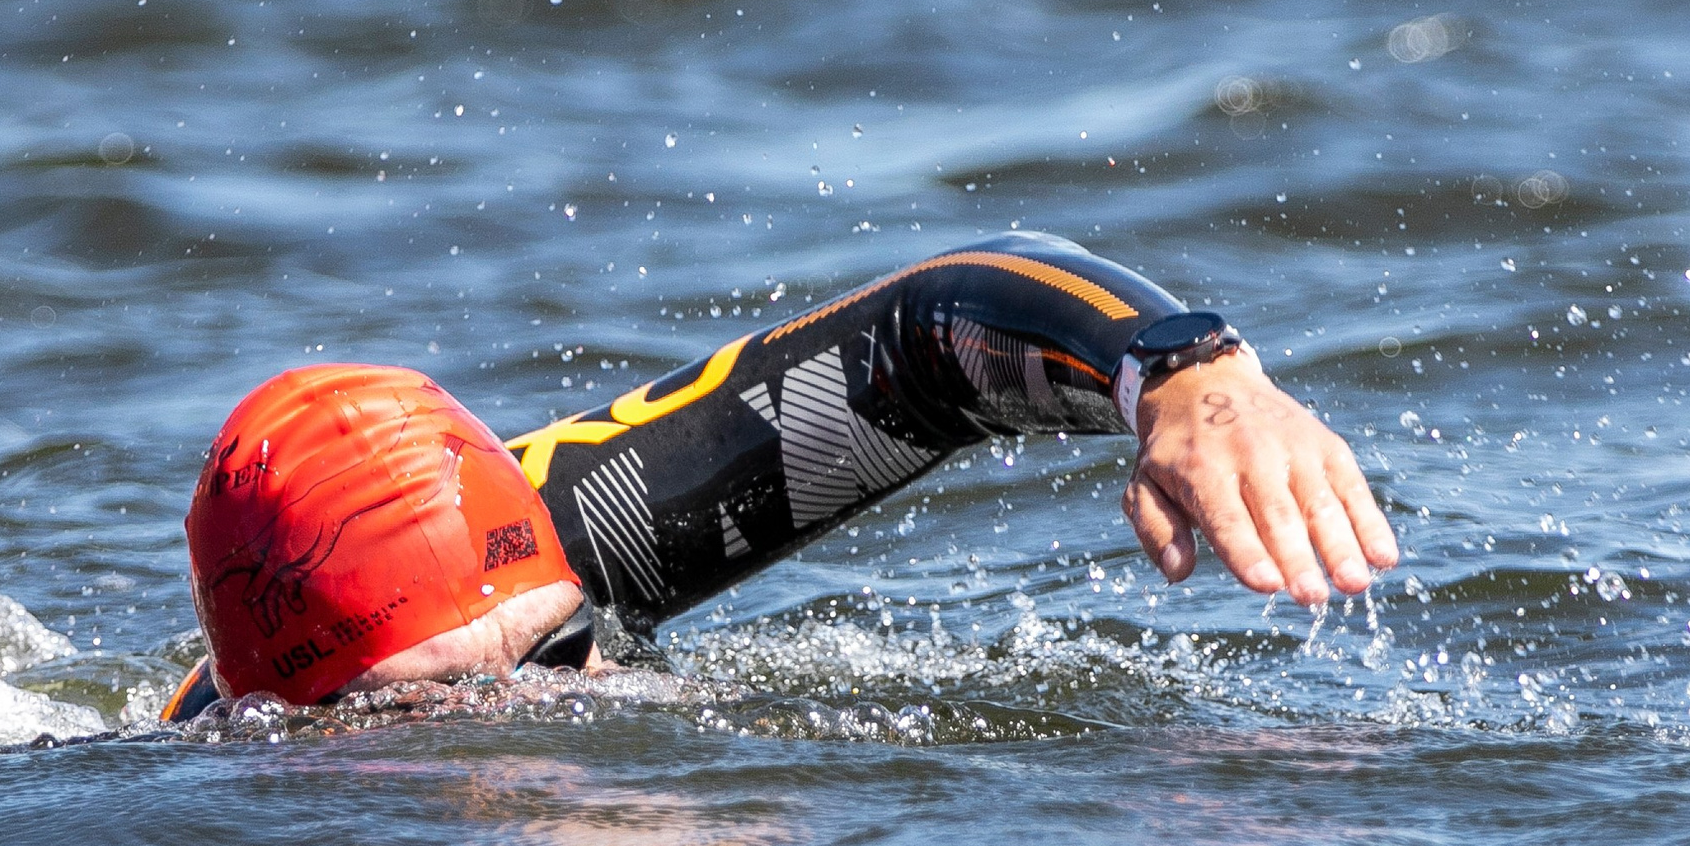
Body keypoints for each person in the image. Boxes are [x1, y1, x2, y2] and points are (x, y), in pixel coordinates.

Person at [163, 230, 1399, 719]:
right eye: (420, 712)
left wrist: (1192, 384)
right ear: (287, 730)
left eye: (555, 656)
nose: (545, 716)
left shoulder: (561, 533)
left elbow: (925, 336)